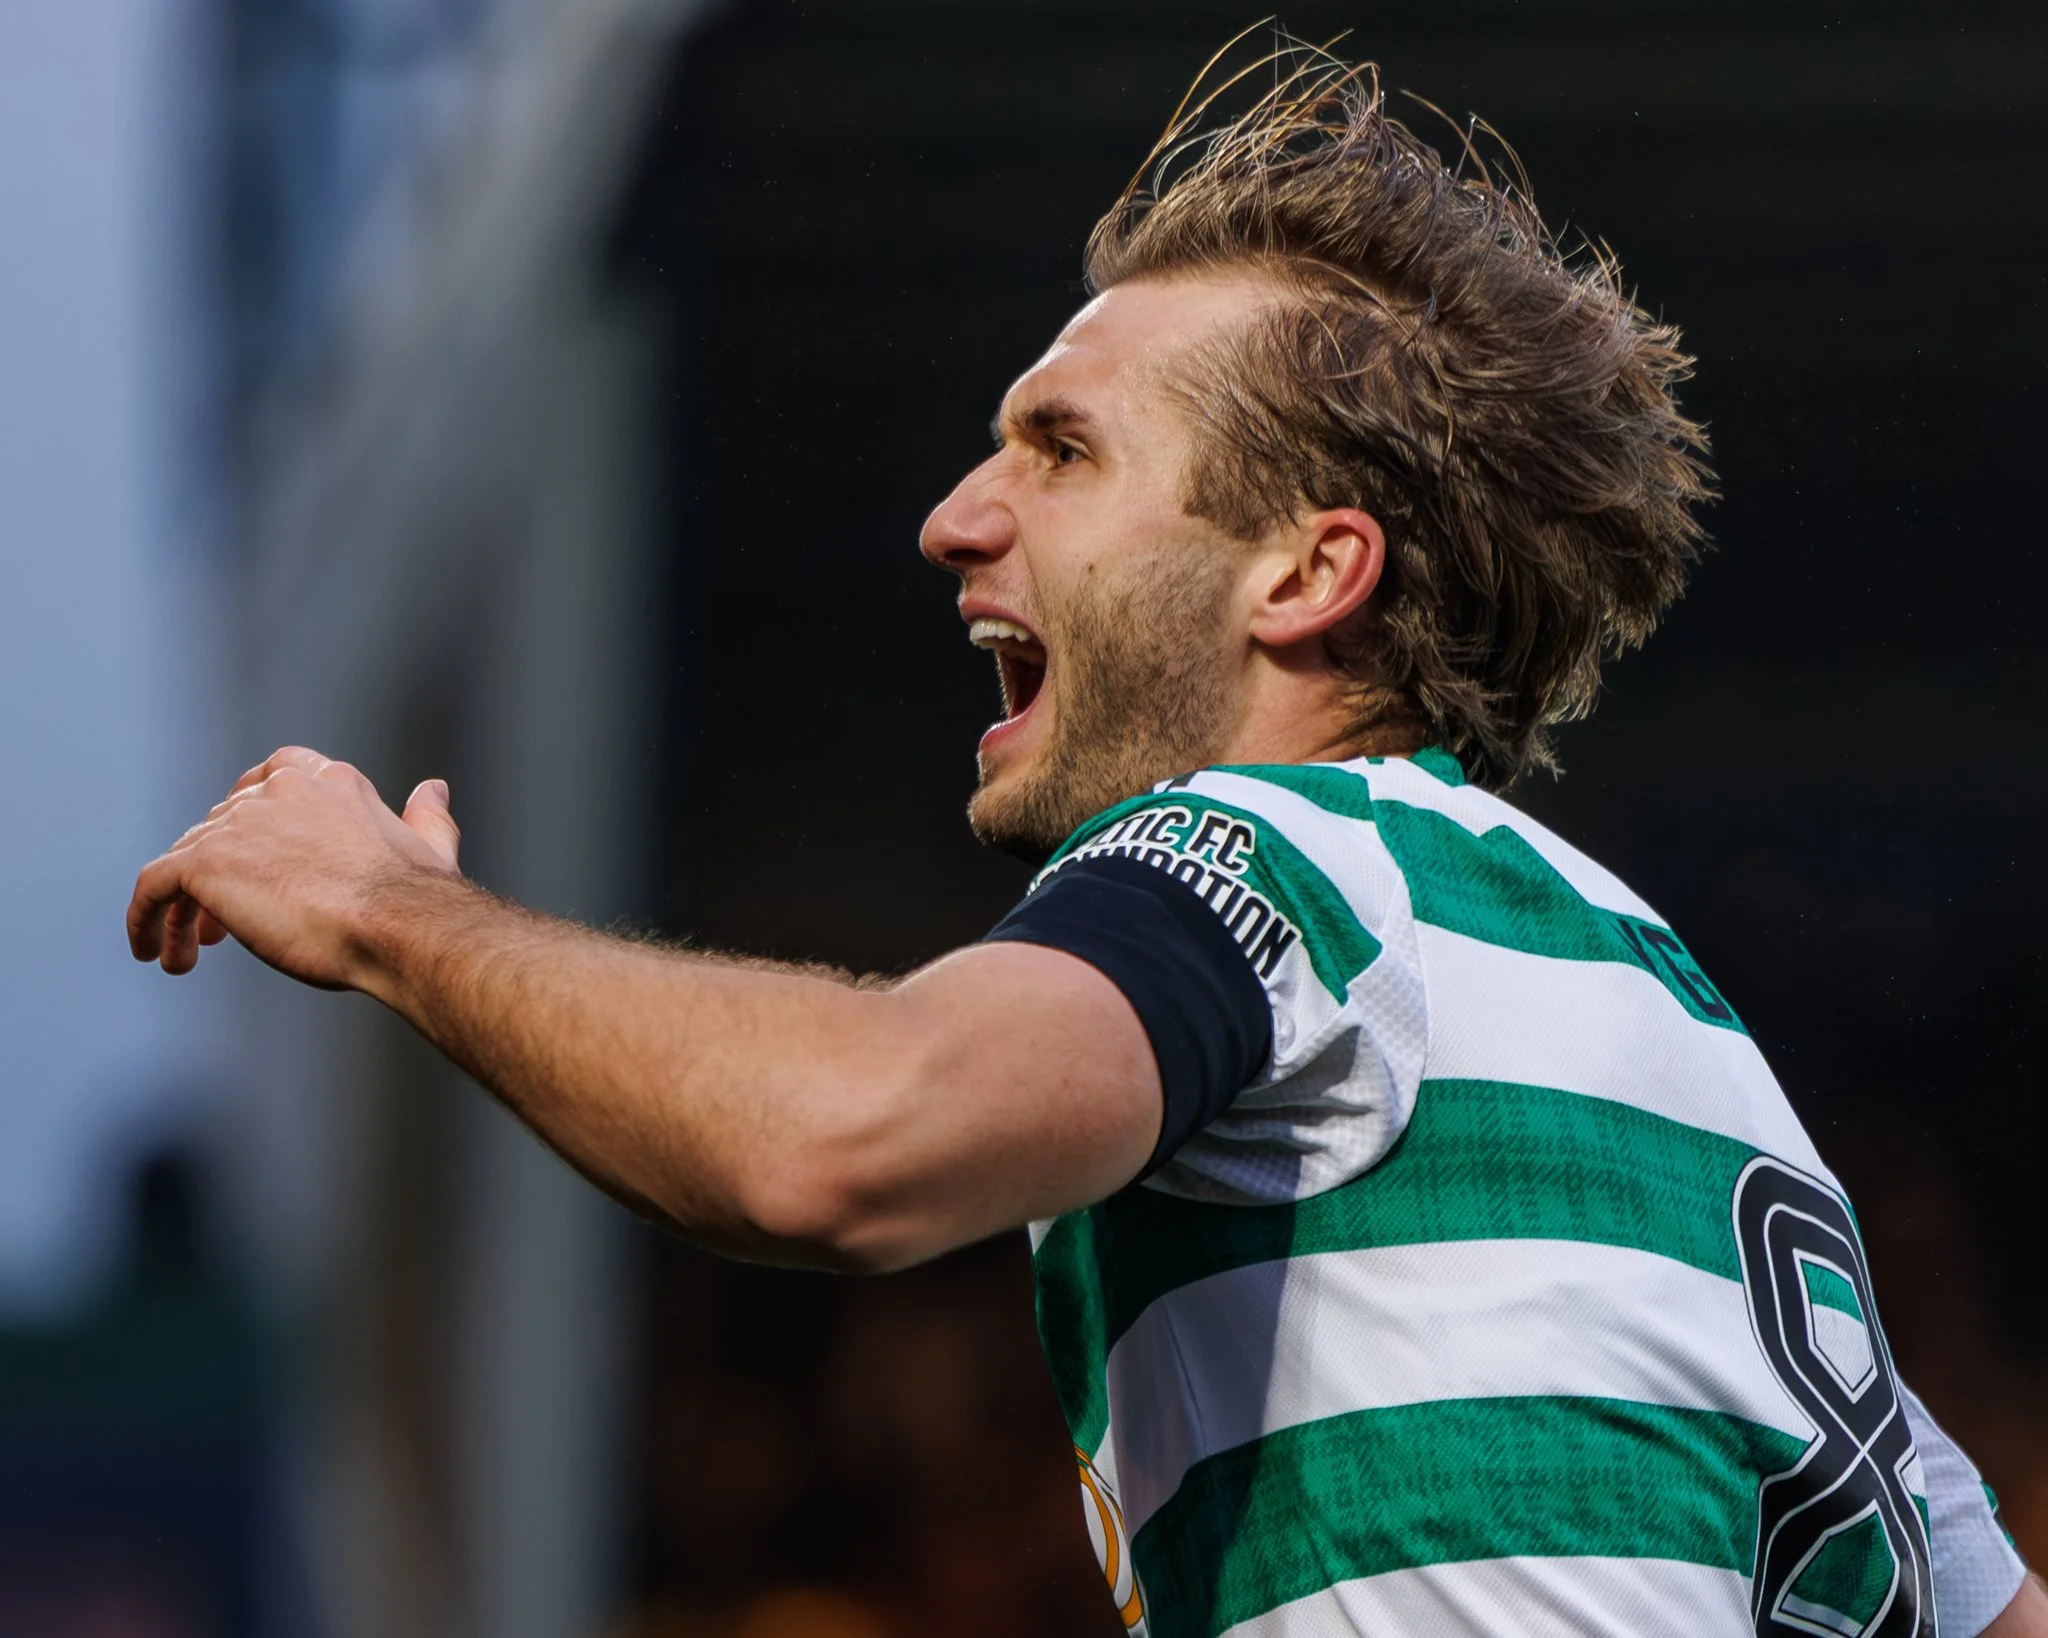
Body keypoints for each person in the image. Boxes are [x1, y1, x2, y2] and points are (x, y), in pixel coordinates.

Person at [128, 41, 2043, 1638]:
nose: (957, 518)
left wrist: (390, 911)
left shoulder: (1275, 854)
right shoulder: (1680, 1030)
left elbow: (844, 1142)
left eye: (1061, 447)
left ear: (1310, 570)